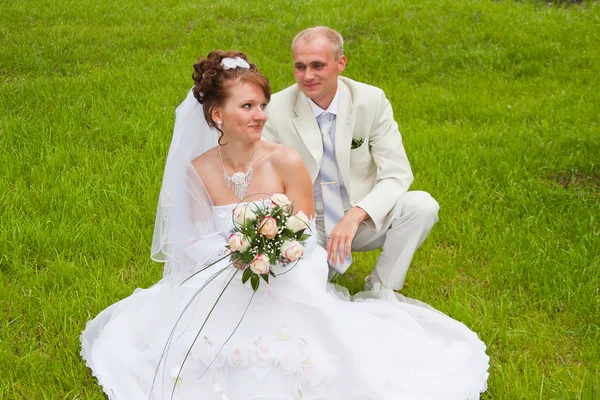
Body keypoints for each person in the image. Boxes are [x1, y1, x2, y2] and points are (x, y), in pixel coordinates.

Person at [80, 50, 488, 399]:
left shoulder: (285, 160)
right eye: (247, 107)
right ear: (217, 114)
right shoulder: (198, 171)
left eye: (262, 105)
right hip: (222, 278)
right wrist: (239, 257)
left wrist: (273, 257)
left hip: (286, 273)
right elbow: (194, 240)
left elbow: (305, 234)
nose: (260, 116)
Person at [263, 27, 439, 299]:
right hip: (306, 222)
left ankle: (381, 284)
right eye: (300, 67)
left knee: (421, 206)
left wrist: (357, 214)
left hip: (363, 218)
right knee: (303, 298)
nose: (308, 76)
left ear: (340, 63)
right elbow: (266, 177)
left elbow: (397, 173)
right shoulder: (275, 108)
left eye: (317, 66)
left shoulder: (371, 100)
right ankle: (323, 269)